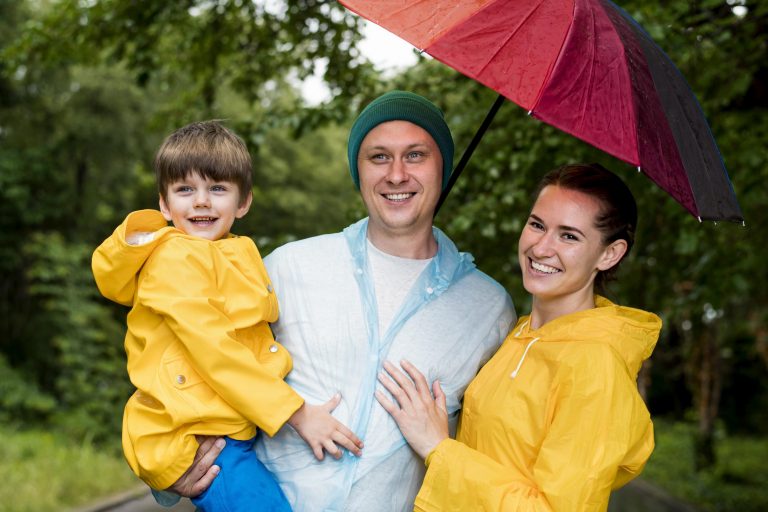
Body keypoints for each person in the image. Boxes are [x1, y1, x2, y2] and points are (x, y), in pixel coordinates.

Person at [147, 91, 516, 511]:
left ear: (443, 170)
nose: (397, 175)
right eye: (378, 157)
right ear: (357, 171)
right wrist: (170, 471)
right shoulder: (286, 268)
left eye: (415, 156)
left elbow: (489, 451)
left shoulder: (489, 308)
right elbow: (183, 351)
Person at [91, 121, 362, 512]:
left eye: (217, 188)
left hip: (226, 426)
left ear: (244, 201)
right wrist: (296, 413)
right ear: (164, 205)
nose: (201, 201)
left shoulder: (236, 251)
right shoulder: (174, 258)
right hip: (195, 432)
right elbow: (213, 347)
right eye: (185, 190)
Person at [377, 163, 662, 511]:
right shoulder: (520, 333)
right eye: (537, 225)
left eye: (569, 236)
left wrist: (439, 449)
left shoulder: (596, 365)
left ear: (609, 254)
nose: (541, 248)